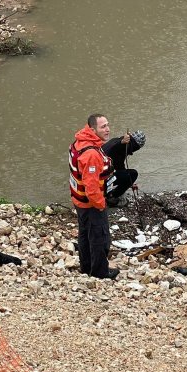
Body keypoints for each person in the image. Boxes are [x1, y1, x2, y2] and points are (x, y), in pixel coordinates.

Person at [69, 113, 119, 279]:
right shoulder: (91, 154)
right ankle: (99, 272)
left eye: (108, 125)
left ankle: (86, 267)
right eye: (103, 126)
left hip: (79, 200)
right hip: (90, 204)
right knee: (100, 238)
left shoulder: (79, 142)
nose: (108, 129)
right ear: (92, 129)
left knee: (84, 234)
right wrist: (100, 204)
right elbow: (91, 188)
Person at [102, 129, 145, 208]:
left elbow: (120, 167)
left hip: (99, 174)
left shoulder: (115, 140)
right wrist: (122, 142)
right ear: (137, 146)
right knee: (133, 174)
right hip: (101, 178)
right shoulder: (125, 145)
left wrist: (130, 183)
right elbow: (115, 148)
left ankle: (107, 193)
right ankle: (111, 196)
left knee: (128, 175)